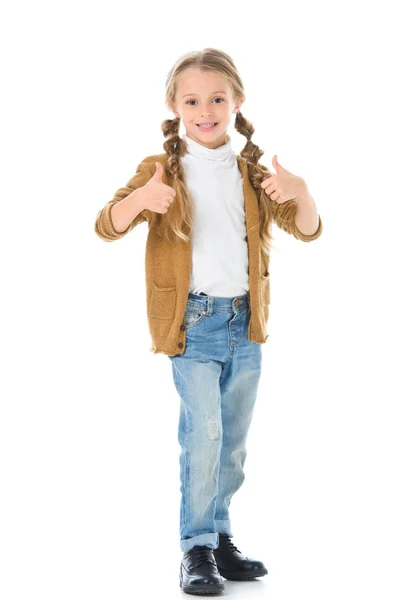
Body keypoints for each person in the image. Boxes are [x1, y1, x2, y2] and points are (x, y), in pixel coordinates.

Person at [94, 48, 323, 596]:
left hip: (246, 325)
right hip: (192, 325)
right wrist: (143, 199)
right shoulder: (161, 169)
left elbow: (309, 230)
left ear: (236, 103)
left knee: (234, 442)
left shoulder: (251, 171)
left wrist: (303, 193)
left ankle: (219, 536)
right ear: (174, 107)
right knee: (205, 435)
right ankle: (195, 547)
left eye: (217, 99)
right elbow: (106, 225)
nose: (205, 109)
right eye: (192, 100)